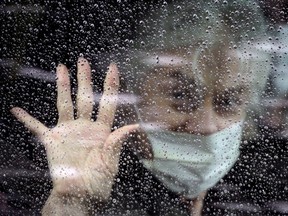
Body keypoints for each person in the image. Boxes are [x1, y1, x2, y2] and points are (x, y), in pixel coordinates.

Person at [11, 1, 272, 215]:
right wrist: (74, 203)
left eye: (229, 102)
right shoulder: (34, 181)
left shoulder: (261, 193)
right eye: (180, 95)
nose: (205, 124)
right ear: (127, 96)